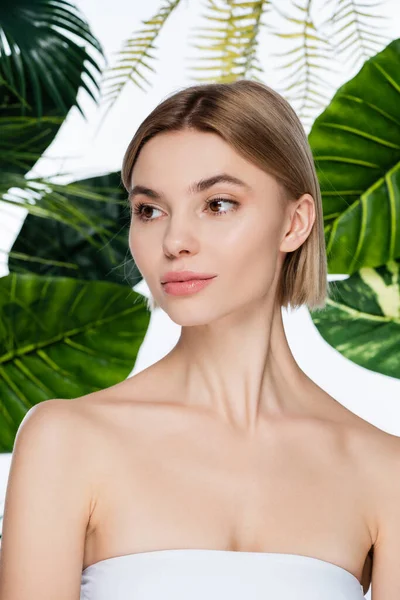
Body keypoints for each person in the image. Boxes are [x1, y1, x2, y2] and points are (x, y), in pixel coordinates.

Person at [0, 79, 397, 600]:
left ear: (295, 223)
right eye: (149, 210)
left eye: (218, 204)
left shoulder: (383, 470)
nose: (174, 241)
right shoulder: (67, 440)